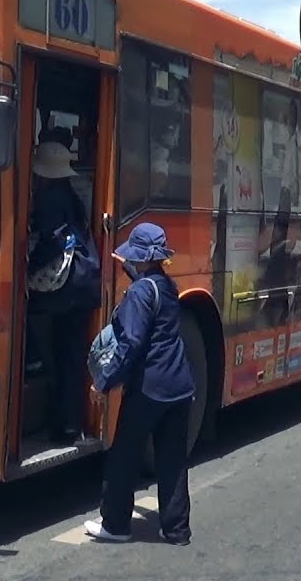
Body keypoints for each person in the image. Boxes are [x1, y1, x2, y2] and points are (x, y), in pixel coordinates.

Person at [85, 223, 194, 546]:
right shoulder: (168, 285)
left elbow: (131, 344)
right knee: (173, 461)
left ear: (141, 258)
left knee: (124, 456)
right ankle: (177, 530)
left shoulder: (140, 293)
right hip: (180, 385)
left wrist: (103, 382)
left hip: (149, 388)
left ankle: (116, 525)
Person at [26, 141, 96, 443]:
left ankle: (63, 422)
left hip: (65, 289)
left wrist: (28, 267)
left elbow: (50, 242)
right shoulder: (72, 194)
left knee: (56, 353)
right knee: (71, 355)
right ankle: (71, 423)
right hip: (82, 282)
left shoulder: (50, 198)